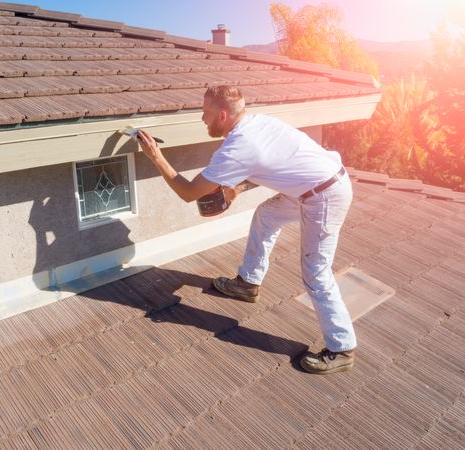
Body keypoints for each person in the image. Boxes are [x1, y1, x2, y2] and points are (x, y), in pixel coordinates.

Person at [137, 85, 356, 374]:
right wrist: (238, 188)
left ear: (223, 115)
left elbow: (189, 192)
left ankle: (341, 347)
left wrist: (156, 156)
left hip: (325, 196)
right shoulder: (257, 122)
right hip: (313, 186)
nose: (202, 119)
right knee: (266, 215)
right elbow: (273, 164)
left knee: (315, 271)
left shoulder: (237, 147)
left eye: (206, 113)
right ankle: (248, 283)